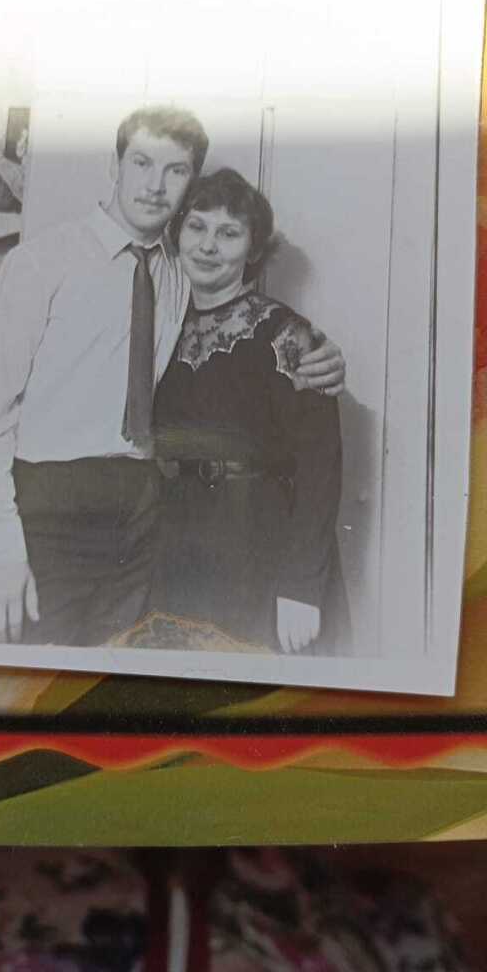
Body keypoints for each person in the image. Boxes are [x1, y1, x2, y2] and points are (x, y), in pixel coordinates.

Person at [0, 106, 346, 647]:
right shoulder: (40, 264)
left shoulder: (177, 274)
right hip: (51, 508)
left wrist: (325, 358)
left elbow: (256, 342)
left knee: (123, 678)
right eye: (141, 162)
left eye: (175, 170)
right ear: (114, 165)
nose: (155, 185)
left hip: (147, 524)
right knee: (44, 678)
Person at [152, 168, 344, 653]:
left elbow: (321, 467)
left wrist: (302, 587)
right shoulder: (157, 331)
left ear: (254, 249)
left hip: (259, 549)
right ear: (177, 234)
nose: (207, 246)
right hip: (173, 550)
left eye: (228, 233)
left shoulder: (288, 334)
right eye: (197, 227)